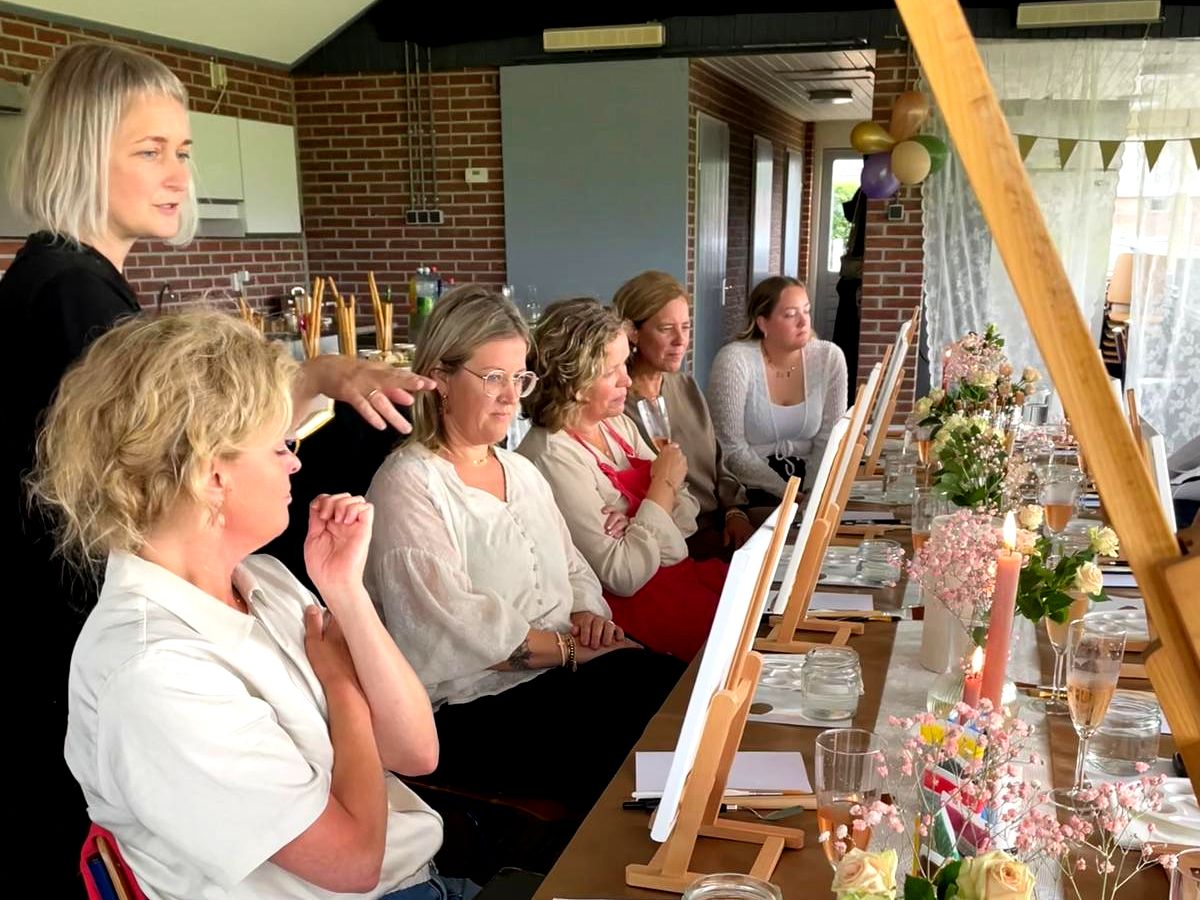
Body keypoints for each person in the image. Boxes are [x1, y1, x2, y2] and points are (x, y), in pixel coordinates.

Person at [4, 43, 432, 887]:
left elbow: (192, 443)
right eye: (149, 151)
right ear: (80, 155)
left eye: (184, 150)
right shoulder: (72, 293)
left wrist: (314, 379)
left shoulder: (67, 280)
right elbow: (167, 453)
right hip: (81, 621)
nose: (177, 175)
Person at [30, 311, 455, 900]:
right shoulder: (156, 672)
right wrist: (342, 686)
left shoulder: (262, 580)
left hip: (419, 877)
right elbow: (355, 863)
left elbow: (416, 751)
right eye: (280, 445)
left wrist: (347, 594)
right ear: (212, 477)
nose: (295, 462)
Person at [364, 286, 684, 839]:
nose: (511, 396)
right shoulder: (410, 484)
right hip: (475, 708)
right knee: (643, 714)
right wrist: (570, 649)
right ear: (440, 377)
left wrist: (588, 615)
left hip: (560, 672)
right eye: (494, 377)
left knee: (674, 687)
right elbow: (453, 627)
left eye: (520, 378)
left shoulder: (521, 472)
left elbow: (573, 566)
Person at [519, 298, 727, 661]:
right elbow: (624, 575)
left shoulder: (616, 424)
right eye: (611, 371)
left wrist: (634, 521)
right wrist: (661, 488)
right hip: (629, 617)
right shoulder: (552, 455)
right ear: (575, 381)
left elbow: (688, 518)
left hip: (677, 582)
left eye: (624, 364)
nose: (627, 381)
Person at [612, 270, 761, 561]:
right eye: (666, 329)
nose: (681, 340)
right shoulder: (617, 405)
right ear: (633, 333)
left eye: (686, 327)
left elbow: (718, 464)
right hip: (677, 540)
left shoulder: (686, 386)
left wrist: (735, 512)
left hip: (723, 521)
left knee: (798, 530)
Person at [706, 276, 848, 503]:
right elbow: (730, 448)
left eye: (806, 311)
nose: (803, 322)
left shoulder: (829, 357)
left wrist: (812, 494)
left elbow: (830, 438)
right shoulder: (734, 361)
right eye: (790, 315)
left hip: (810, 481)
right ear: (763, 323)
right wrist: (786, 493)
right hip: (749, 486)